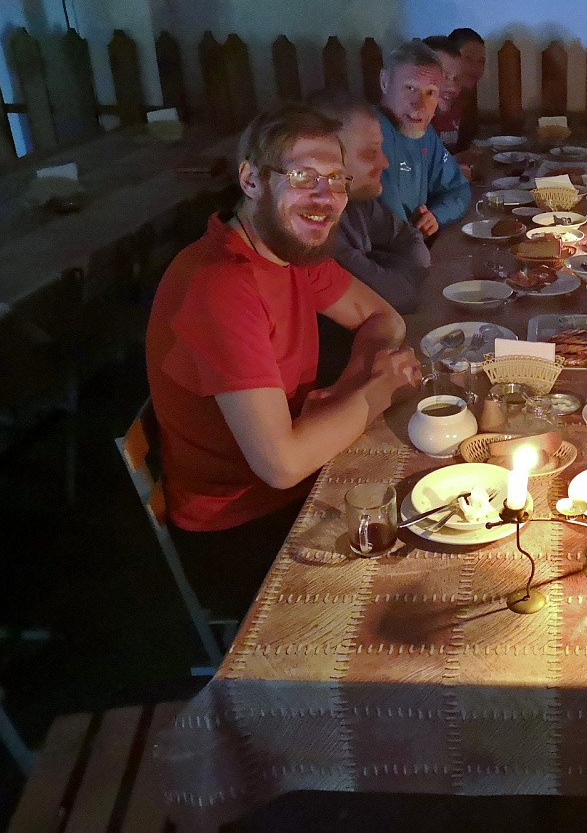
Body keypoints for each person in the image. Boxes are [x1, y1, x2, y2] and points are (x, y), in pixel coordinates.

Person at [146, 103, 420, 618]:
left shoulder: (288, 249)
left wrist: (350, 390)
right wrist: (379, 388)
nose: (326, 197)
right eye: (303, 177)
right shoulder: (221, 285)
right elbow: (281, 465)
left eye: (336, 179)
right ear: (251, 179)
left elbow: (384, 318)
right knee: (418, 586)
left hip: (299, 478)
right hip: (242, 529)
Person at [308, 91, 429, 315]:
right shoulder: (317, 230)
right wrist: (398, 271)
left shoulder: (359, 201)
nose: (385, 163)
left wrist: (385, 267)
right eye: (371, 153)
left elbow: (411, 238)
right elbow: (400, 297)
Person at [377, 40, 471, 238]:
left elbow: (459, 188)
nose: (420, 105)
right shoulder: (371, 136)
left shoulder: (425, 135)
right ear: (385, 82)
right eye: (410, 88)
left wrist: (436, 216)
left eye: (430, 92)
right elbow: (393, 229)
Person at [423, 35, 466, 153]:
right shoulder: (410, 120)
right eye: (444, 76)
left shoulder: (455, 109)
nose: (453, 87)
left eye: (457, 78)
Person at [450, 27, 486, 152]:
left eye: (481, 61)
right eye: (468, 58)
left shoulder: (467, 100)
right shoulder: (434, 101)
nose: (476, 68)